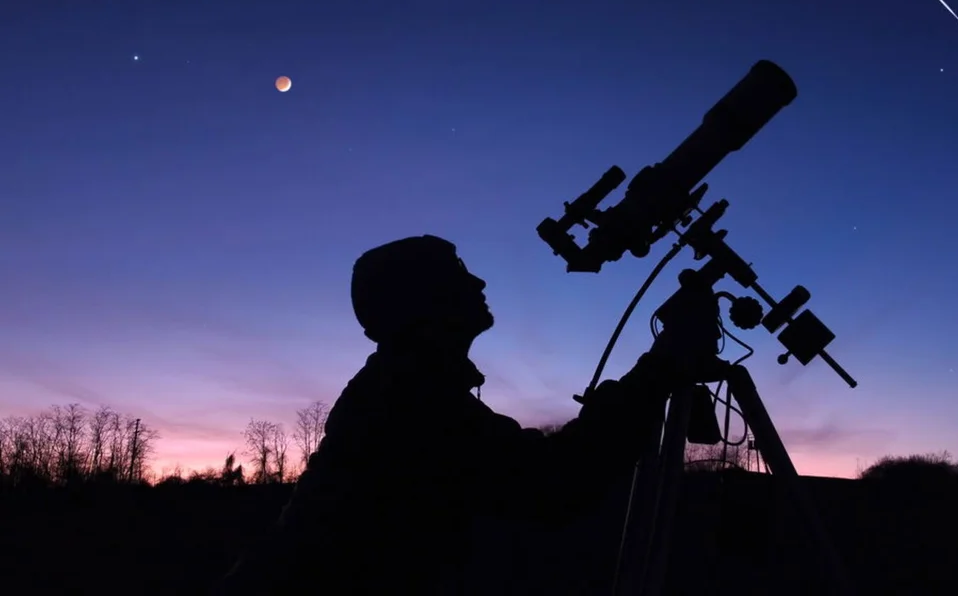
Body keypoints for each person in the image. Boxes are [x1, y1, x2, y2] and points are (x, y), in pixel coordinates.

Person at [213, 234, 721, 595]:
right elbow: (554, 484)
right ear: (423, 301)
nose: (478, 280)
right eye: (458, 274)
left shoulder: (410, 383)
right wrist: (662, 366)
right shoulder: (408, 398)